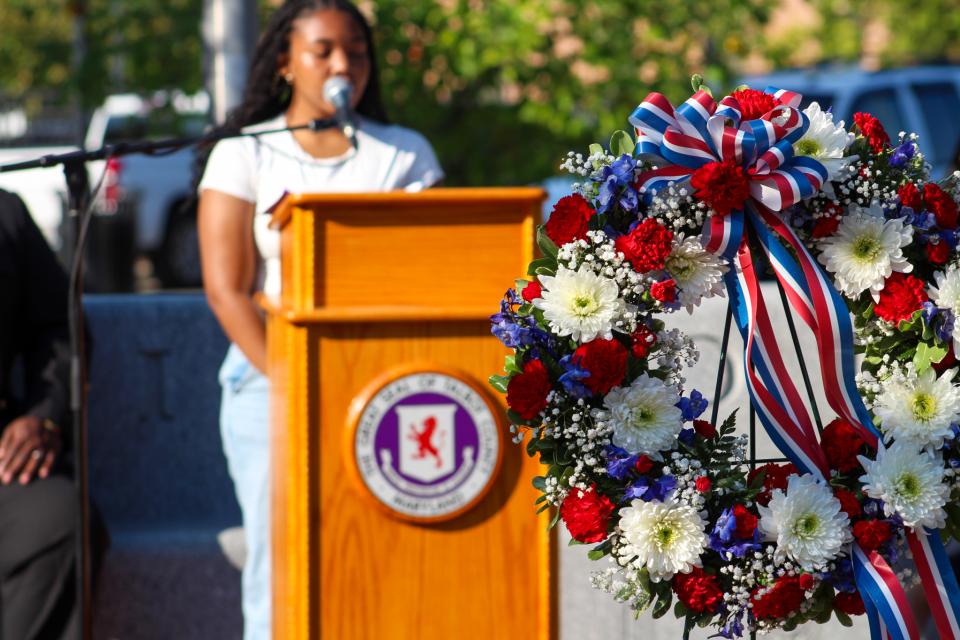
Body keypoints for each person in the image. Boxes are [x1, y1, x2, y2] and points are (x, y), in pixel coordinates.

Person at [195, 1, 443, 638]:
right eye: (323, 50)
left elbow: (434, 273)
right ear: (284, 61)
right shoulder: (245, 153)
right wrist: (298, 381)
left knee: (386, 557)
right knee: (283, 565)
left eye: (356, 52)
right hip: (272, 381)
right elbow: (227, 290)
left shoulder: (404, 154)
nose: (343, 65)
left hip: (386, 382)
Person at [0, 189, 78, 639]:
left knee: (60, 519)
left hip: (3, 455)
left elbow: (59, 327)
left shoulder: (5, 212)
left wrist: (44, 415)